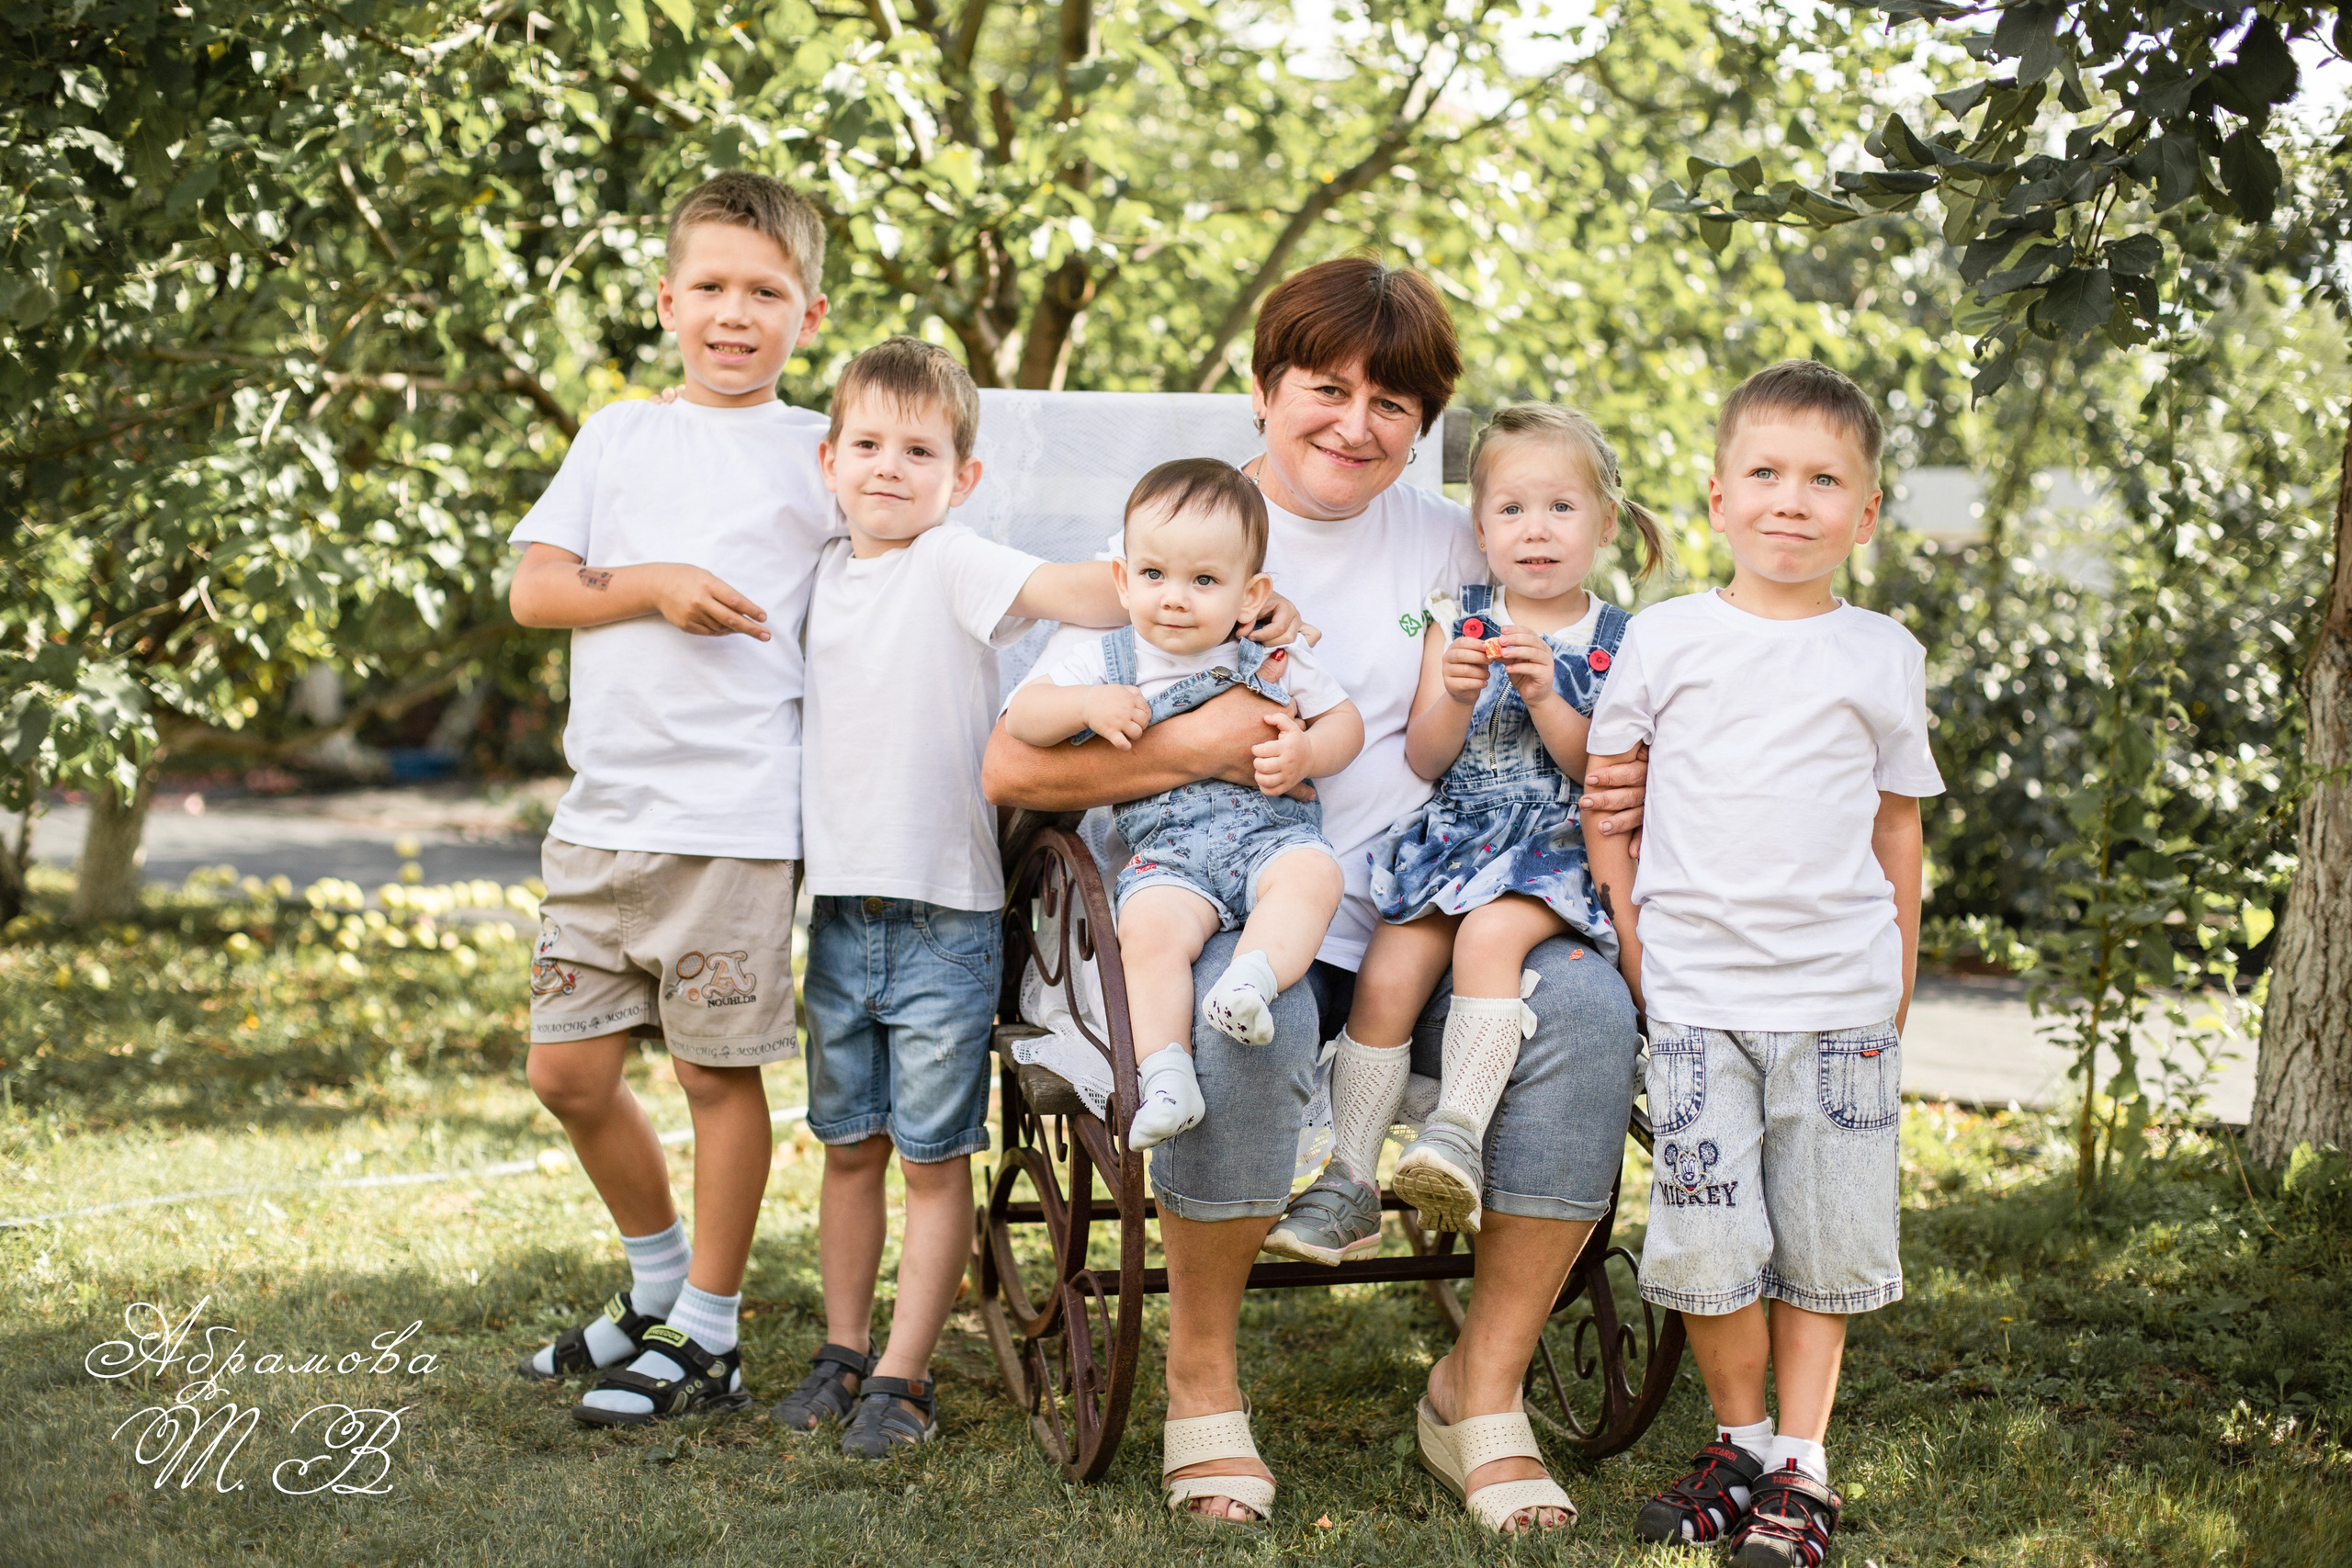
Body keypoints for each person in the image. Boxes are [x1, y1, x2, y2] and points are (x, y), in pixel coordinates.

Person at [982, 255, 1651, 1535]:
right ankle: (1202, 1377)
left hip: (1434, 913)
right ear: (1261, 389)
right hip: (1230, 896)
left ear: (1426, 423)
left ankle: (1481, 1388)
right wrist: (1218, 735)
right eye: (1325, 387)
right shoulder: (1179, 535)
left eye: (1392, 402)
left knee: (1583, 1007)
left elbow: (1577, 669)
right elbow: (1013, 759)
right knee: (1258, 1012)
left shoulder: (1462, 543)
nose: (1356, 423)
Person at [1583, 359, 1943, 1567]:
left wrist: (1896, 980)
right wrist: (1638, 943)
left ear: (1869, 512)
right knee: (1707, 1235)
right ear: (1717, 495)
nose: (1793, 500)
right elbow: (1610, 805)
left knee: (1824, 1244)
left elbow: (1899, 824)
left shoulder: (1881, 651)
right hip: (1698, 1001)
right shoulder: (1671, 638)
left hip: (1839, 1002)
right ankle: (1737, 1442)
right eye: (1767, 474)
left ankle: (1802, 1467)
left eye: (1825, 479)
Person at [506, 171, 833, 1423]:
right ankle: (651, 1285)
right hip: (604, 816)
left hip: (737, 821)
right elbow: (539, 589)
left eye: (765, 292)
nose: (734, 313)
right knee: (568, 1069)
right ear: (666, 301)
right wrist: (653, 583)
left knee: (714, 1075)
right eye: (711, 288)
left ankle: (710, 1326)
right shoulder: (619, 434)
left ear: (807, 313)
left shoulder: (820, 456)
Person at [769, 337, 1128, 1458]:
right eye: (867, 445)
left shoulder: (952, 560)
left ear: (959, 477)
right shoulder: (821, 570)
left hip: (944, 921)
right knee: (846, 1146)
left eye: (918, 450)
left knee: (930, 1159)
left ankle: (903, 1376)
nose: (888, 467)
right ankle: (840, 1350)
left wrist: (1168, 575)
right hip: (840, 920)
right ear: (828, 458)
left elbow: (1076, 591)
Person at [1263, 404, 1662, 1259]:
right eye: (1511, 510)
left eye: (1561, 508)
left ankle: (1455, 1134)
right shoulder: (1461, 616)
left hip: (1553, 848)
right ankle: (1352, 1180)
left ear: (1604, 523)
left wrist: (1551, 696)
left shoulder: (1620, 640)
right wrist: (1451, 691)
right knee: (1389, 969)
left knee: (1488, 938)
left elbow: (1599, 771)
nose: (1536, 530)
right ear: (1479, 528)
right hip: (1458, 836)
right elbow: (1426, 752)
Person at [1007, 459, 1364, 1147]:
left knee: (1314, 875)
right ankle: (1166, 1075)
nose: (1174, 597)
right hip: (1168, 858)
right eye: (1153, 575)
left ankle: (1251, 981)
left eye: (1203, 580)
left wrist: (1309, 754)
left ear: (1248, 592)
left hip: (1268, 838)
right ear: (1122, 578)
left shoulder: (1269, 652)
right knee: (1147, 933)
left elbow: (1344, 721)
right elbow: (1023, 717)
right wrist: (1084, 704)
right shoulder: (1109, 661)